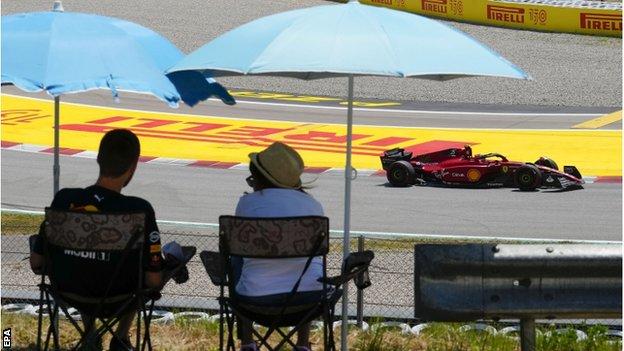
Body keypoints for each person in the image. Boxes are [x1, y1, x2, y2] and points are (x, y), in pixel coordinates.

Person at [29, 129, 163, 351]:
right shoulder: (139, 210)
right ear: (133, 166)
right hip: (121, 298)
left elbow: (36, 262)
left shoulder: (64, 200)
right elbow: (153, 280)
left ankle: (90, 333)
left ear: (98, 158)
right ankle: (120, 337)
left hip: (70, 292)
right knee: (148, 271)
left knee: (85, 263)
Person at [234, 141, 324, 351]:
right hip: (309, 300)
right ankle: (302, 344)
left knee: (237, 257)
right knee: (308, 266)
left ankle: (247, 343)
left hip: (254, 300)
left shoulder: (247, 204)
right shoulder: (313, 205)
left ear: (260, 179)